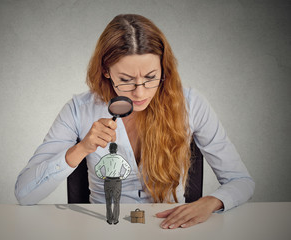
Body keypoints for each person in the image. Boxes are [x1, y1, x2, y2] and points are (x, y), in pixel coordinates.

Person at [15, 14, 255, 229]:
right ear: (106, 70)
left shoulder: (190, 104)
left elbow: (241, 181)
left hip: (169, 228)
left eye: (151, 78)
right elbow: (25, 194)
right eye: (127, 80)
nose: (140, 94)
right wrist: (80, 149)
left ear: (163, 68)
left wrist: (211, 202)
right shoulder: (79, 110)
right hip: (104, 227)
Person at [95, 142, 131, 224]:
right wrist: (123, 176)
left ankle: (109, 219)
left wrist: (101, 176)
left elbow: (97, 167)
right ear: (116, 150)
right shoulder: (120, 158)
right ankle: (115, 219)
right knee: (116, 202)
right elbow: (128, 168)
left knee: (108, 201)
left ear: (109, 150)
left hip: (107, 181)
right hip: (117, 181)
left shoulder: (105, 158)